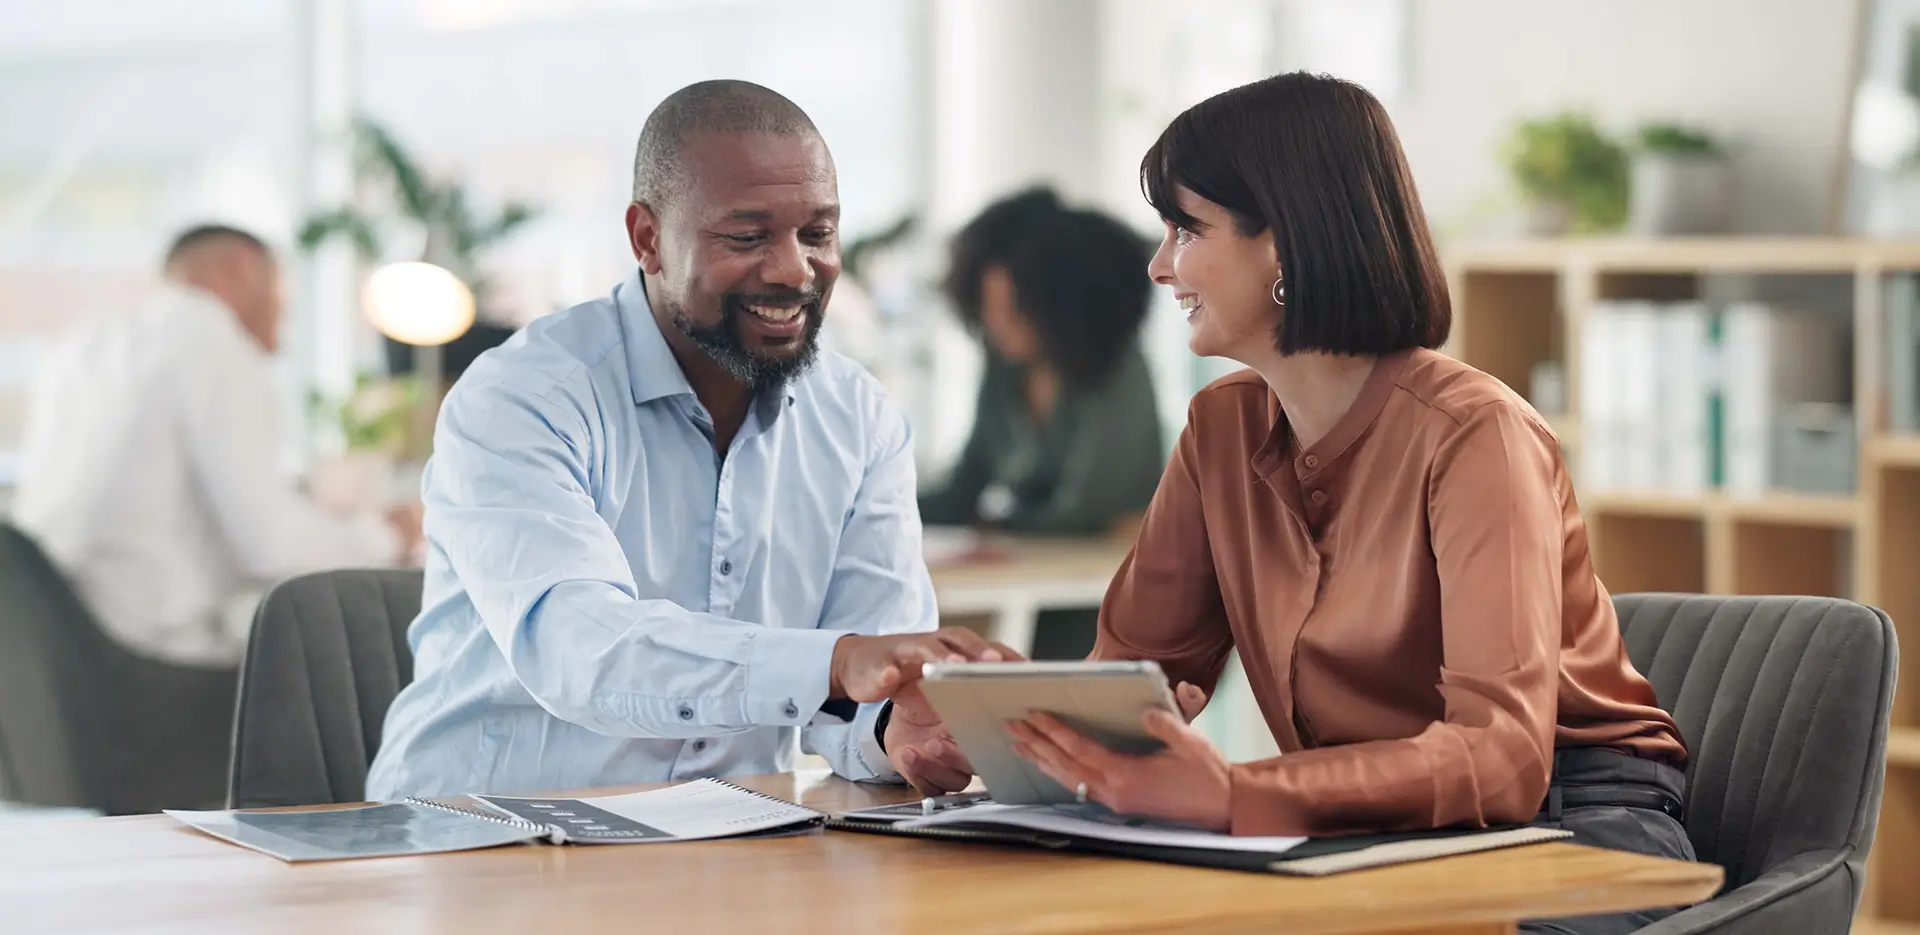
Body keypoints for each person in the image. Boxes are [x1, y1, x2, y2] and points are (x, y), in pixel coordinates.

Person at [998, 73, 1692, 935]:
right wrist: (1013, 735)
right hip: (1374, 830)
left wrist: (1236, 792)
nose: (1160, 265)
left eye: (1187, 228)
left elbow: (1504, 758)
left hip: (1577, 825)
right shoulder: (1219, 431)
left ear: (1285, 242)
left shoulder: (1476, 433)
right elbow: (1132, 674)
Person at [366, 80, 1011, 801]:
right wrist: (837, 662)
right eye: (748, 237)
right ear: (648, 239)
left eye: (817, 234)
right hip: (479, 831)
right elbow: (582, 650)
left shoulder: (859, 417)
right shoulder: (523, 397)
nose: (794, 269)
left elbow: (866, 678)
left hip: (729, 831)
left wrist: (893, 728)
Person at [13, 225, 420, 668]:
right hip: (148, 659)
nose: (284, 310)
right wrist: (386, 535)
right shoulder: (210, 340)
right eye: (281, 289)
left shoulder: (86, 346)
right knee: (366, 655)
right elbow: (271, 548)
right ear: (241, 268)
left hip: (50, 646)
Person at [918, 188, 1164, 659]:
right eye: (987, 308)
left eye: (1013, 309)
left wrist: (998, 525)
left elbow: (1095, 503)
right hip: (1035, 593)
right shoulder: (1003, 368)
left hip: (1114, 603)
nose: (996, 324)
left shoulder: (1115, 367)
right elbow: (963, 487)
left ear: (1056, 302)